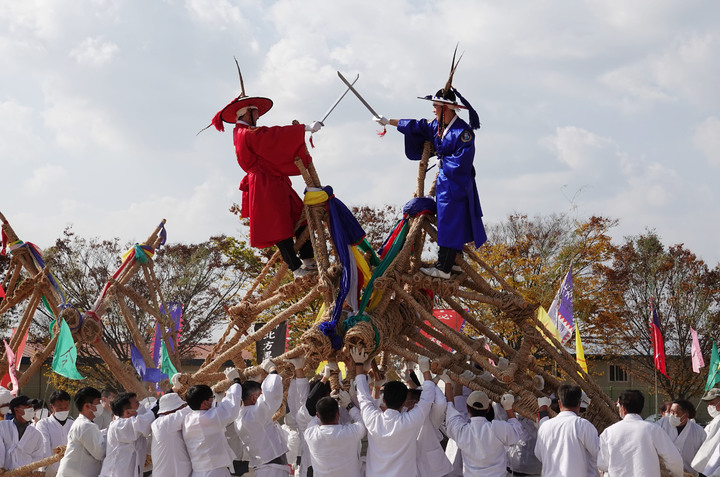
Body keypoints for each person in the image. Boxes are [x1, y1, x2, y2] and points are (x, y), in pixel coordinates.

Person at [374, 79, 486, 279]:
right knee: (450, 220)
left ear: (447, 108)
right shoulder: (437, 126)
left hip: (456, 182)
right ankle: (455, 264)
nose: (433, 110)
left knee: (450, 221)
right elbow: (417, 125)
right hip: (446, 181)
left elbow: (463, 162)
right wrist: (389, 121)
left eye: (436, 106)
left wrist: (445, 167)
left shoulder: (463, 133)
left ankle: (443, 267)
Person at [211, 88, 321, 279]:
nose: (259, 116)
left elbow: (269, 137)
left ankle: (308, 259)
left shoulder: (244, 131)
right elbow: (271, 136)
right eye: (256, 112)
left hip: (272, 179)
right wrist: (304, 129)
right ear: (247, 112)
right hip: (263, 184)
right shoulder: (246, 132)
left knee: (299, 214)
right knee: (278, 226)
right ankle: (296, 269)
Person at [350, 346, 436, 476]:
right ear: (404, 403)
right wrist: (425, 370)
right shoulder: (410, 421)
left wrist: (359, 364)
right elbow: (427, 397)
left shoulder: (373, 419)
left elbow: (363, 395)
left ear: (383, 400)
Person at [442, 376, 523, 477]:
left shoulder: (461, 430)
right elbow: (517, 431)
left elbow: (450, 407)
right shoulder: (497, 428)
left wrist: (448, 383)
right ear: (488, 409)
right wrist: (508, 408)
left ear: (467, 408)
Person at [597, 389, 683, 477]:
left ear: (623, 408)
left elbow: (602, 464)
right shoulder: (653, 429)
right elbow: (674, 460)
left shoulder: (609, 432)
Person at [235, 360, 290, 477]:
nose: (262, 397)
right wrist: (272, 370)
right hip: (271, 470)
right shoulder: (254, 414)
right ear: (254, 398)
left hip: (267, 468)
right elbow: (271, 394)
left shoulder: (239, 416)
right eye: (260, 394)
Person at [183, 374, 243, 477]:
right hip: (214, 472)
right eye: (211, 398)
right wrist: (236, 381)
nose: (213, 400)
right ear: (204, 403)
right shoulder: (210, 418)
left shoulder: (187, 419)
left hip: (198, 473)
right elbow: (232, 407)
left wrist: (214, 400)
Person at [534, 384, 599, 477]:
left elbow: (539, 454)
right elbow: (599, 454)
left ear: (560, 403)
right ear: (579, 404)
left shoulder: (545, 426)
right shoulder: (584, 426)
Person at [304, 392, 365, 477]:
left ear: (318, 415)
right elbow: (362, 422)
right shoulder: (350, 432)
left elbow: (315, 420)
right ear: (338, 414)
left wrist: (327, 401)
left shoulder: (310, 434)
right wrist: (349, 405)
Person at [99, 392, 155, 477]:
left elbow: (148, 412)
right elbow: (144, 421)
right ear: (128, 412)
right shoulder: (119, 426)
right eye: (137, 404)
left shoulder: (132, 425)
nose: (140, 406)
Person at [56, 386, 106, 477]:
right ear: (87, 406)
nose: (101, 405)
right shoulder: (86, 426)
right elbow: (100, 453)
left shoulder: (84, 423)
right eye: (98, 402)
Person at [656, 399, 706, 476]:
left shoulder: (698, 431)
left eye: (676, 413)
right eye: (671, 412)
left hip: (689, 473)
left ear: (686, 415)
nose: (672, 415)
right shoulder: (661, 425)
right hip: (665, 472)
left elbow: (704, 454)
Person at [0, 395, 48, 470]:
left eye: (31, 407)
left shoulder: (36, 434)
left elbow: (37, 457)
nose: (31, 409)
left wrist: (30, 472)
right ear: (16, 410)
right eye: (27, 407)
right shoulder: (3, 427)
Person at [36, 390, 74, 477]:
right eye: (60, 408)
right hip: (50, 469)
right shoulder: (43, 424)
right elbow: (45, 447)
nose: (64, 410)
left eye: (66, 406)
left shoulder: (73, 424)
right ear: (51, 407)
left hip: (70, 470)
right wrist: (55, 469)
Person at [151, 392, 191, 477]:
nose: (183, 408)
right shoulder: (163, 423)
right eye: (181, 407)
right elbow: (190, 410)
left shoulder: (161, 423)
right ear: (171, 410)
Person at [691, 387, 720, 476]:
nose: (710, 406)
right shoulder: (716, 419)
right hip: (707, 466)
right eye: (708, 403)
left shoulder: (718, 421)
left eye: (712, 403)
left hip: (712, 467)